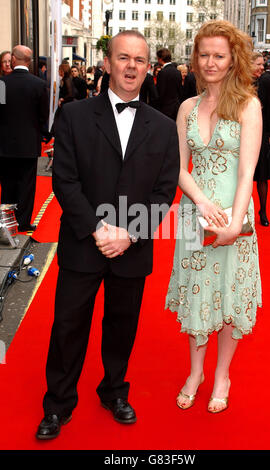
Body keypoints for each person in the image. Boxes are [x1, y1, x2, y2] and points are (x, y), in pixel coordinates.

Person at [36, 30, 180, 440]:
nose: (131, 66)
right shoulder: (75, 115)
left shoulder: (163, 127)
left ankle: (114, 391)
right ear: (107, 63)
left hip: (132, 249)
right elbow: (64, 180)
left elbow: (164, 191)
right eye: (123, 58)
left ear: (148, 68)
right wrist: (99, 229)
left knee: (122, 325)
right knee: (68, 325)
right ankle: (58, 403)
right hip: (84, 242)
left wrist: (130, 234)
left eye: (139, 60)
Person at [165, 20, 262, 414]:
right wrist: (202, 203)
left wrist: (235, 224)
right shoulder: (187, 107)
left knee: (228, 298)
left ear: (232, 59)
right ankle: (195, 372)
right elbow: (178, 166)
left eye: (218, 55)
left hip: (234, 215)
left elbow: (246, 174)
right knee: (197, 298)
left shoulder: (247, 105)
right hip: (194, 215)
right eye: (203, 54)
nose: (209, 62)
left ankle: (221, 374)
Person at [0, 45, 49, 232]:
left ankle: (6, 222)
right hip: (28, 143)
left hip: (5, 143)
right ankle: (23, 222)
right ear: (29, 61)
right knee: (27, 186)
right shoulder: (38, 85)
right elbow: (43, 115)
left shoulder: (3, 83)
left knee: (7, 184)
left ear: (13, 59)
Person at [252, 53, 270, 227]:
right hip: (239, 136)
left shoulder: (261, 84)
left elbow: (267, 110)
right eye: (259, 64)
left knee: (262, 176)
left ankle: (263, 210)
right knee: (242, 178)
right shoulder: (236, 84)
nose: (263, 67)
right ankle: (243, 211)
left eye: (263, 64)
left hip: (260, 135)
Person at [156, 48, 182, 120]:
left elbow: (160, 92)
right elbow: (180, 91)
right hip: (176, 108)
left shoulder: (162, 73)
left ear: (160, 59)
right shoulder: (178, 72)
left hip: (164, 109)